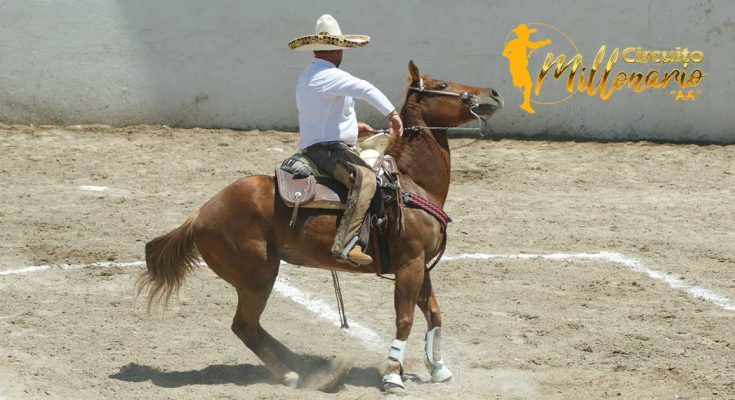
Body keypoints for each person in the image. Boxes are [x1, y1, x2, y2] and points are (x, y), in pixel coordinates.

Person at [288, 14, 403, 265]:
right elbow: (365, 89)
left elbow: (321, 116)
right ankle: (346, 244)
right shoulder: (329, 76)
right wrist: (392, 114)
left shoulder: (310, 75)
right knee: (366, 179)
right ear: (338, 50)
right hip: (326, 150)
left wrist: (352, 126)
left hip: (320, 145)